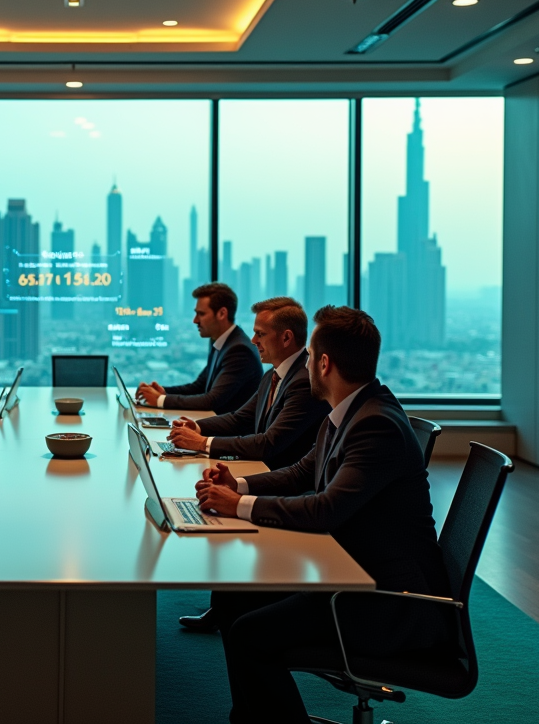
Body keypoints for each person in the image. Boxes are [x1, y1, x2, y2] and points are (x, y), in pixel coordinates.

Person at [193, 306, 451, 724]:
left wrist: (235, 506)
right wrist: (236, 485)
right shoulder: (347, 412)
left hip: (393, 605)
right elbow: (301, 473)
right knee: (237, 601)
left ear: (325, 363)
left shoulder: (376, 425)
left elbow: (324, 510)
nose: (307, 364)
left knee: (249, 635)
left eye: (311, 355)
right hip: (353, 572)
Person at [170, 297, 329, 633]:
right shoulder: (273, 375)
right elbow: (243, 418)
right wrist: (198, 429)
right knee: (217, 499)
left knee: (221, 509)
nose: (253, 340)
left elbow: (270, 443)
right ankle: (228, 607)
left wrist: (204, 445)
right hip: (268, 476)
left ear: (286, 338)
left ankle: (232, 609)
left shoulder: (301, 380)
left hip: (287, 484)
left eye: (260, 334)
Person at [136, 283, 261, 415]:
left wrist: (160, 400)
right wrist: (163, 392)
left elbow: (211, 400)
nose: (195, 320)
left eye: (201, 314)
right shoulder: (223, 342)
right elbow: (200, 386)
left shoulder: (239, 350)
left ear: (222, 313)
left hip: (231, 433)